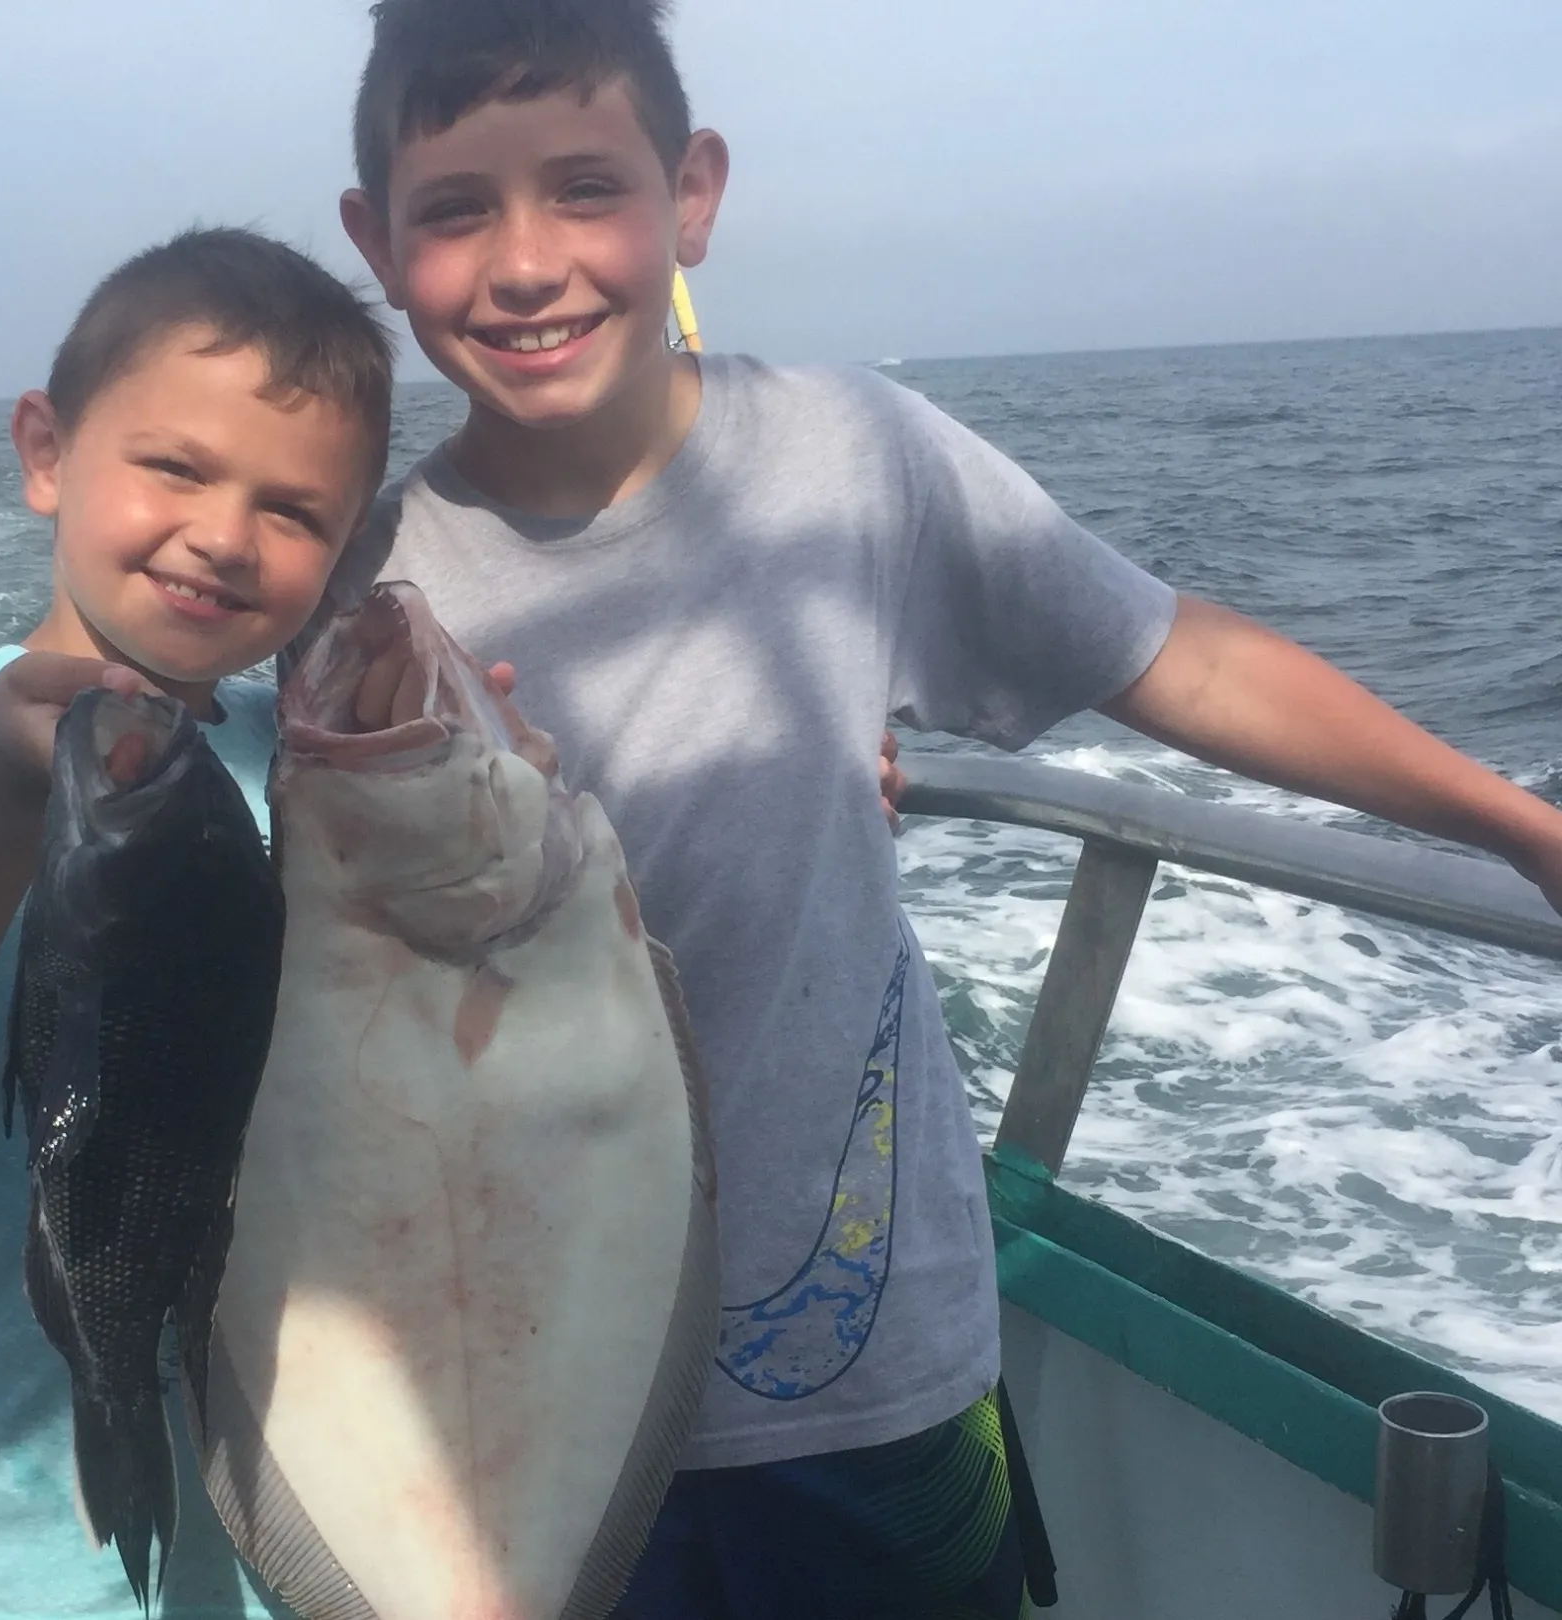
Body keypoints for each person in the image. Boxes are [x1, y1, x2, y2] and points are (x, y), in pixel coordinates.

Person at [321, 2, 1562, 1616]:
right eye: (457, 211)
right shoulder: (364, 599)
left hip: (873, 1386)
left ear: (691, 193)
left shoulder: (855, 462)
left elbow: (1169, 653)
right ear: (374, 239)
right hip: (519, 1408)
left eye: (585, 188)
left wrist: (1515, 827)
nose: (527, 262)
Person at [0, 226, 404, 1620]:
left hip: (366, 1546)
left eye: (295, 513)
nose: (224, 535)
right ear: (46, 452)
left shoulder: (342, 766)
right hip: (45, 1573)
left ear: (348, 554)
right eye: (173, 467)